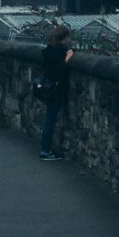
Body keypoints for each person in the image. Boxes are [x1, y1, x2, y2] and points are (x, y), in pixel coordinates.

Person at [40, 25, 74, 161]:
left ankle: (46, 149)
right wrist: (68, 58)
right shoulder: (59, 53)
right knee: (50, 119)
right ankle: (45, 150)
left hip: (49, 88)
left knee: (49, 118)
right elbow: (60, 70)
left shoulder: (49, 50)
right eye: (69, 37)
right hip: (56, 90)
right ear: (64, 39)